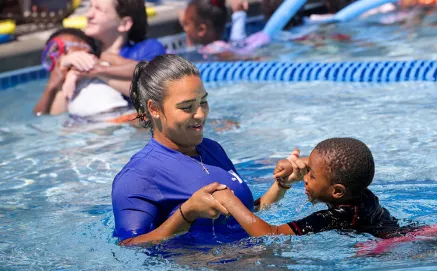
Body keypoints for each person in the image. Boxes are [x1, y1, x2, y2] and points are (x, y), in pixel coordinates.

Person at [111, 54, 306, 246]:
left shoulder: (212, 149)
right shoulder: (138, 175)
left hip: (248, 262)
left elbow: (243, 216)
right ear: (153, 108)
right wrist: (186, 214)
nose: (200, 114)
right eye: (187, 107)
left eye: (203, 102)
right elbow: (129, 246)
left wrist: (281, 186)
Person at [213, 137, 406, 238]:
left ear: (337, 191)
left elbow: (271, 234)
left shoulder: (335, 217)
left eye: (311, 174)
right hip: (404, 231)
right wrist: (296, 165)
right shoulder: (357, 187)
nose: (304, 177)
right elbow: (330, 167)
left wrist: (231, 201)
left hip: (394, 247)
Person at [33, 28, 135, 124]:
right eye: (54, 55)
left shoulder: (103, 59)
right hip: (87, 125)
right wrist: (54, 85)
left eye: (64, 49)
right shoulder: (62, 83)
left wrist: (98, 70)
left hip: (120, 115)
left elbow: (140, 69)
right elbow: (57, 118)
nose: (61, 57)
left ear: (84, 47)